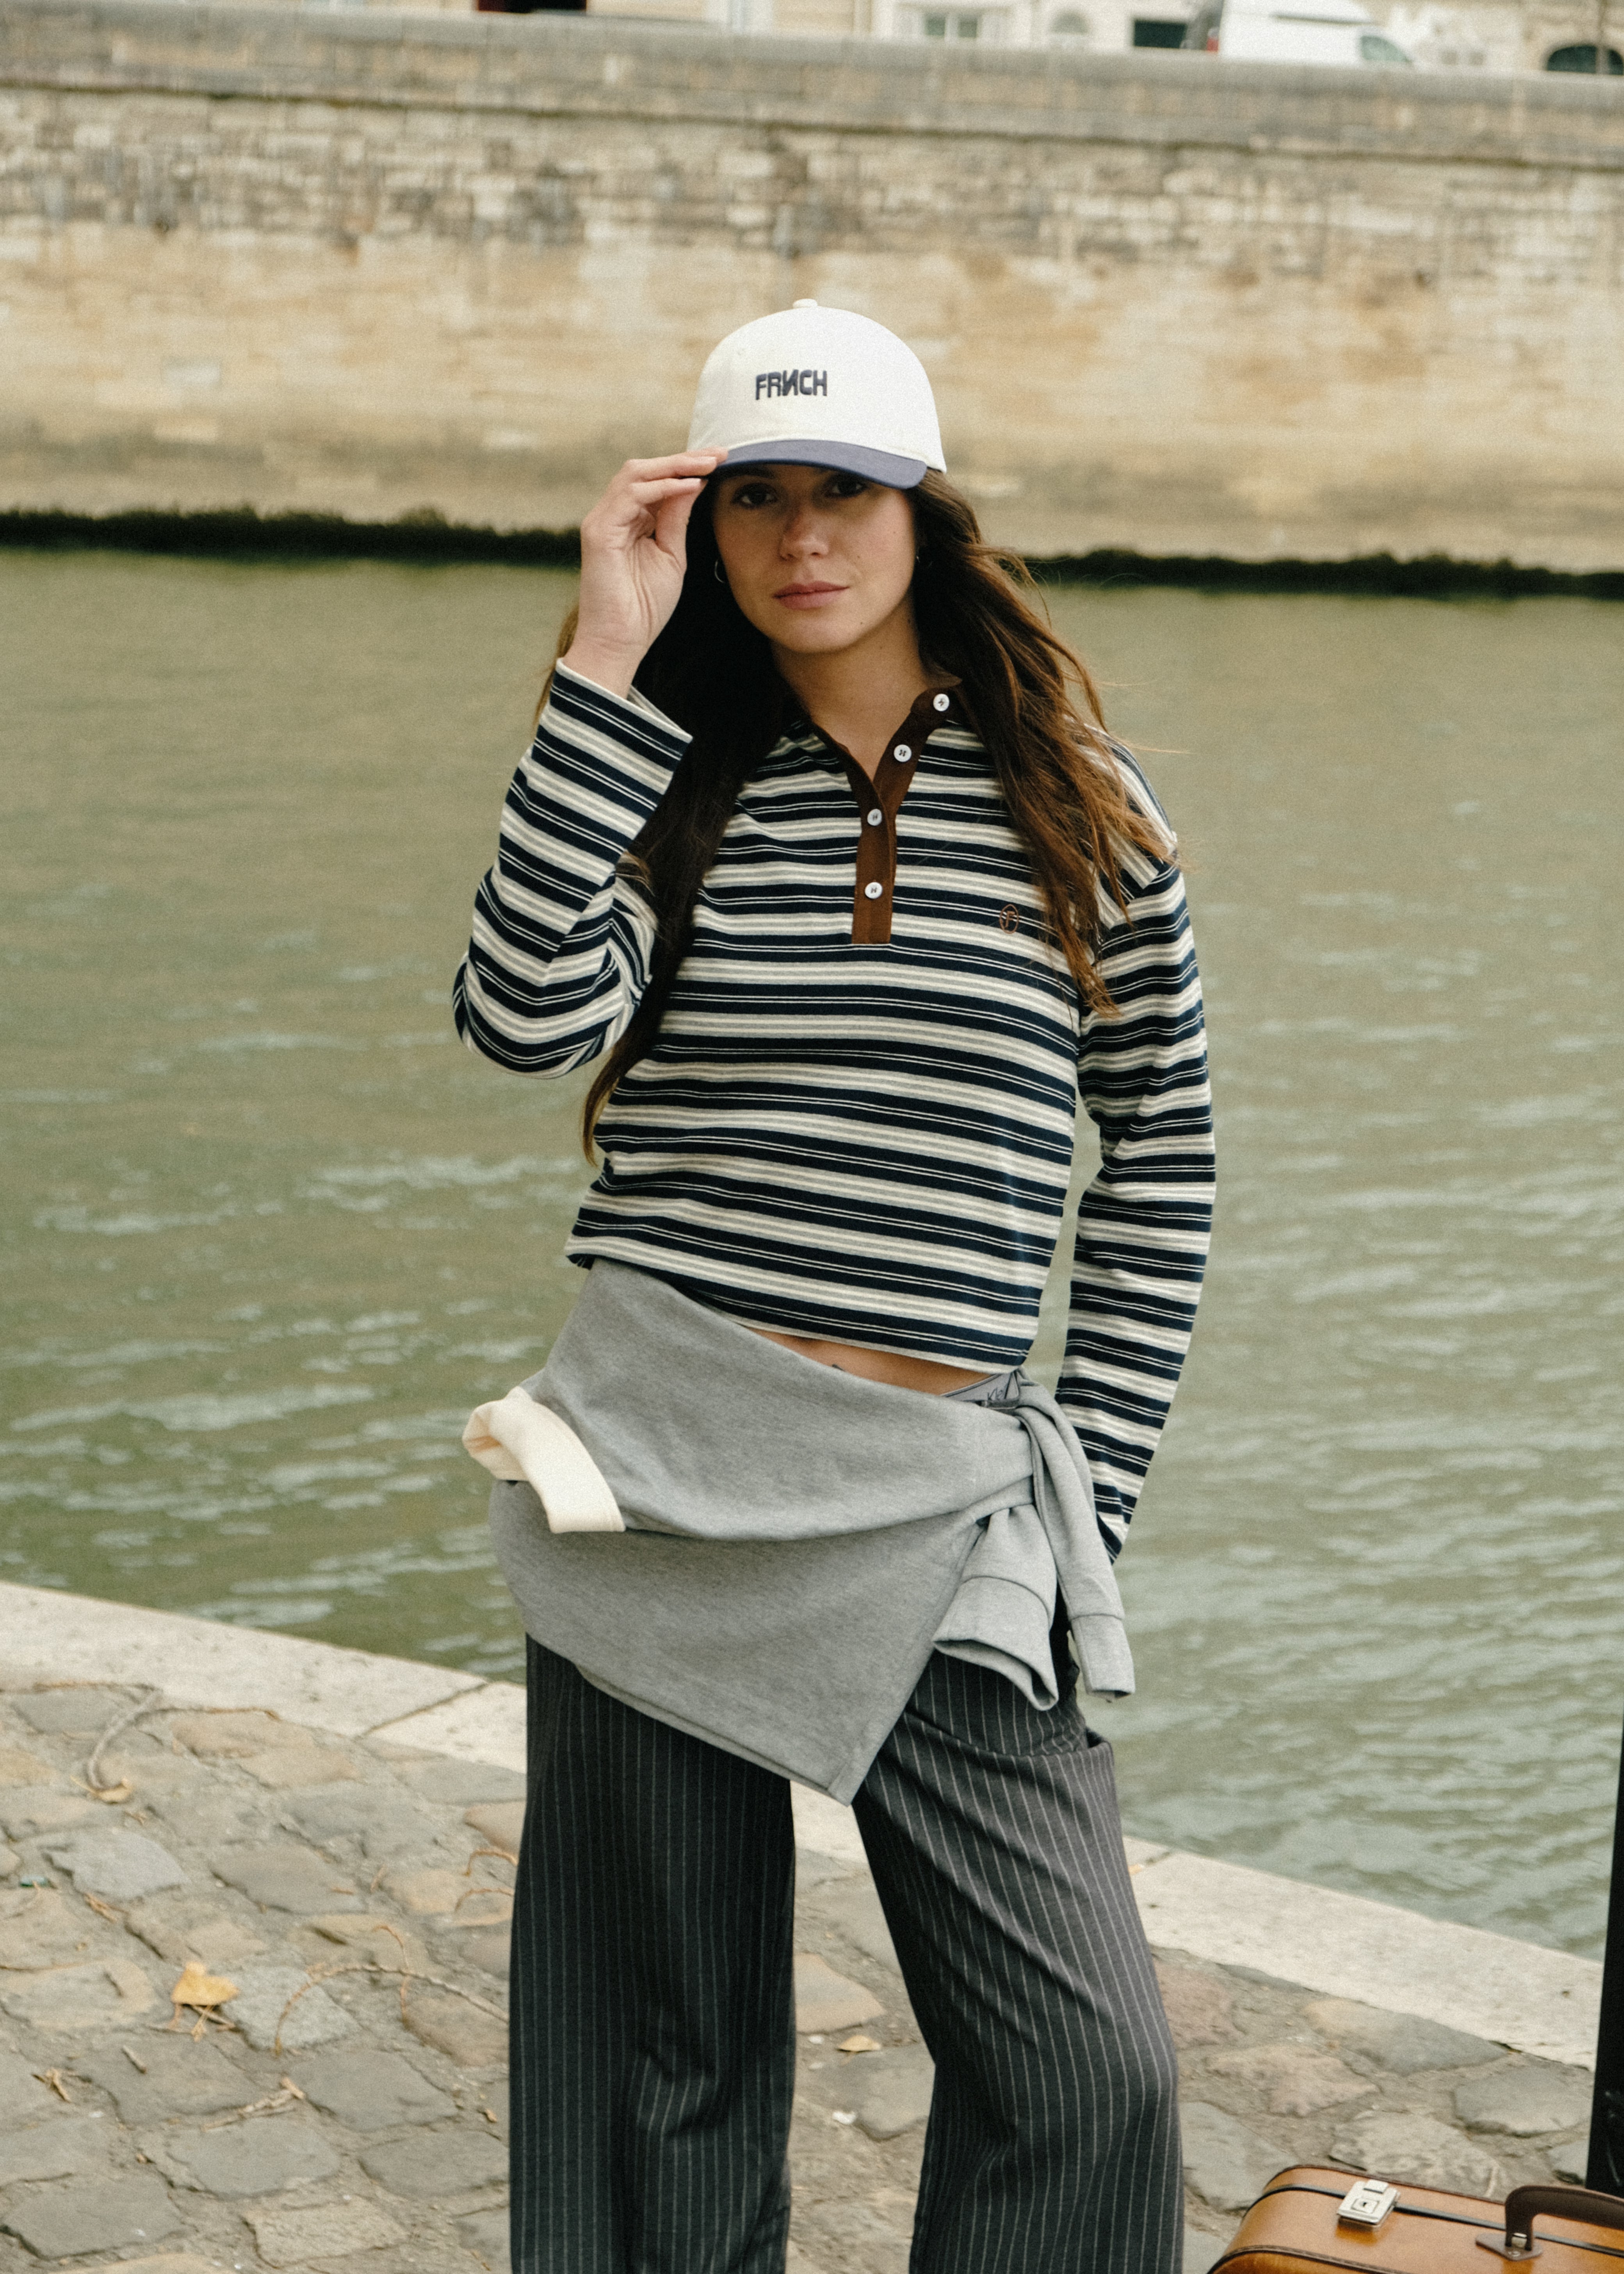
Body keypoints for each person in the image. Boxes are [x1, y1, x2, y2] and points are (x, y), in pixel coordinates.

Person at [453, 301, 1215, 2274]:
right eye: (756, 498)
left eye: (846, 493)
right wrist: (601, 666)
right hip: (652, 1476)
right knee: (665, 2072)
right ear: (700, 526)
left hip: (933, 1499)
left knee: (1088, 2076)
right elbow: (517, 1016)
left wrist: (1085, 1490)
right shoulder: (667, 783)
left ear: (922, 511)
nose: (802, 537)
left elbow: (1161, 1164)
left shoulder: (1084, 809)